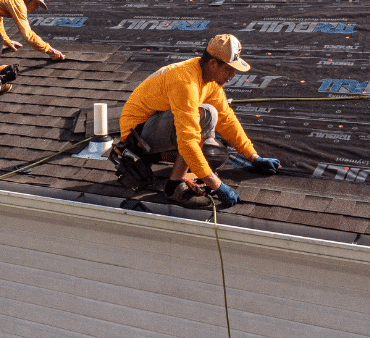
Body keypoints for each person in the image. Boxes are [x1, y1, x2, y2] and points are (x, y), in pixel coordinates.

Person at [118, 34, 281, 209]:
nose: (233, 74)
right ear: (213, 64)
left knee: (216, 154)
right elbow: (188, 139)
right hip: (137, 137)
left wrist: (253, 157)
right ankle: (174, 186)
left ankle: (169, 161)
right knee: (207, 114)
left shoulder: (210, 80)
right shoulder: (185, 81)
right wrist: (217, 185)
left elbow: (226, 119)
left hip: (157, 134)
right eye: (229, 69)